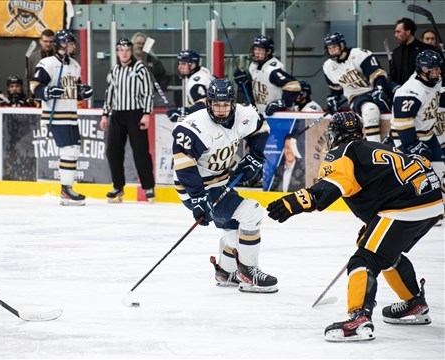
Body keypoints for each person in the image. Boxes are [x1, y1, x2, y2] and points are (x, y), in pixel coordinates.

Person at [267, 111, 442, 341]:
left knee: (364, 259)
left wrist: (296, 201)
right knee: (386, 253)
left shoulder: (342, 153)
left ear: (334, 134)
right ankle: (414, 303)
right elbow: (388, 182)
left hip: (404, 207)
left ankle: (358, 319)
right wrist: (375, 222)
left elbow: (330, 188)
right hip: (432, 201)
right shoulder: (377, 147)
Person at [172, 78, 278, 293]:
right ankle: (248, 272)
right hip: (195, 187)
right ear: (208, 103)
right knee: (252, 213)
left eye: (225, 104)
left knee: (233, 228)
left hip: (220, 182)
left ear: (232, 103)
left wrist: (255, 156)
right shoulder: (194, 126)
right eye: (216, 105)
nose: (221, 110)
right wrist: (198, 198)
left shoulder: (244, 115)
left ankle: (226, 272)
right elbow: (184, 165)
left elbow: (261, 127)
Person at [30, 29, 92, 205]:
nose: (74, 47)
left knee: (73, 151)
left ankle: (68, 188)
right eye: (71, 43)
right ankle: (66, 190)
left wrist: (83, 93)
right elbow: (35, 89)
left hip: (71, 115)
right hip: (55, 116)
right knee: (67, 150)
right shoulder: (47, 63)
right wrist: (48, 91)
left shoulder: (75, 66)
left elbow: (75, 91)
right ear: (62, 45)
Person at [100, 38, 155, 203]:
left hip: (135, 114)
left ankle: (148, 187)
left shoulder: (140, 68)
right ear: (117, 52)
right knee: (113, 151)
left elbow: (148, 92)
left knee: (140, 151)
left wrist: (146, 114)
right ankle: (118, 187)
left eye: (127, 49)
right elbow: (109, 92)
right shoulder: (114, 70)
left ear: (131, 52)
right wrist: (105, 114)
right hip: (117, 114)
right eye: (121, 49)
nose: (124, 52)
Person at [391, 50, 445, 200]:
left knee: (439, 169)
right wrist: (412, 144)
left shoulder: (435, 80)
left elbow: (437, 96)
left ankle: (435, 206)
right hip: (405, 136)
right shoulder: (410, 91)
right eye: (434, 69)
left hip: (427, 133)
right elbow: (403, 121)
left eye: (438, 68)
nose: (438, 72)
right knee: (413, 175)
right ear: (424, 70)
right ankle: (412, 205)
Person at [323, 32, 393, 142]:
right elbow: (336, 89)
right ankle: (374, 149)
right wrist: (333, 98)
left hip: (376, 88)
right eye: (329, 48)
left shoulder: (359, 54)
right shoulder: (328, 66)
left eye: (334, 47)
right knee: (370, 110)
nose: (331, 50)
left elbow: (377, 75)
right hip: (357, 96)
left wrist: (379, 88)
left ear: (342, 45)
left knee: (401, 94)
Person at [233, 35, 301, 116]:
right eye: (255, 49)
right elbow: (252, 92)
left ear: (268, 52)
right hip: (262, 114)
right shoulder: (253, 66)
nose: (256, 52)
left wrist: (282, 103)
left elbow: (294, 86)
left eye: (260, 50)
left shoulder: (272, 69)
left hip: (279, 116)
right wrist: (244, 83)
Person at [166, 49, 213, 123]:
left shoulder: (195, 84)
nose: (180, 67)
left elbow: (206, 104)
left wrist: (185, 112)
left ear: (193, 65)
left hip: (206, 121)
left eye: (183, 64)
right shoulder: (203, 70)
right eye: (179, 63)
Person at [390, 18, 433, 86]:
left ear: (408, 32)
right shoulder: (396, 52)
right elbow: (393, 77)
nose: (395, 35)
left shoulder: (425, 49)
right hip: (400, 93)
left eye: (398, 32)